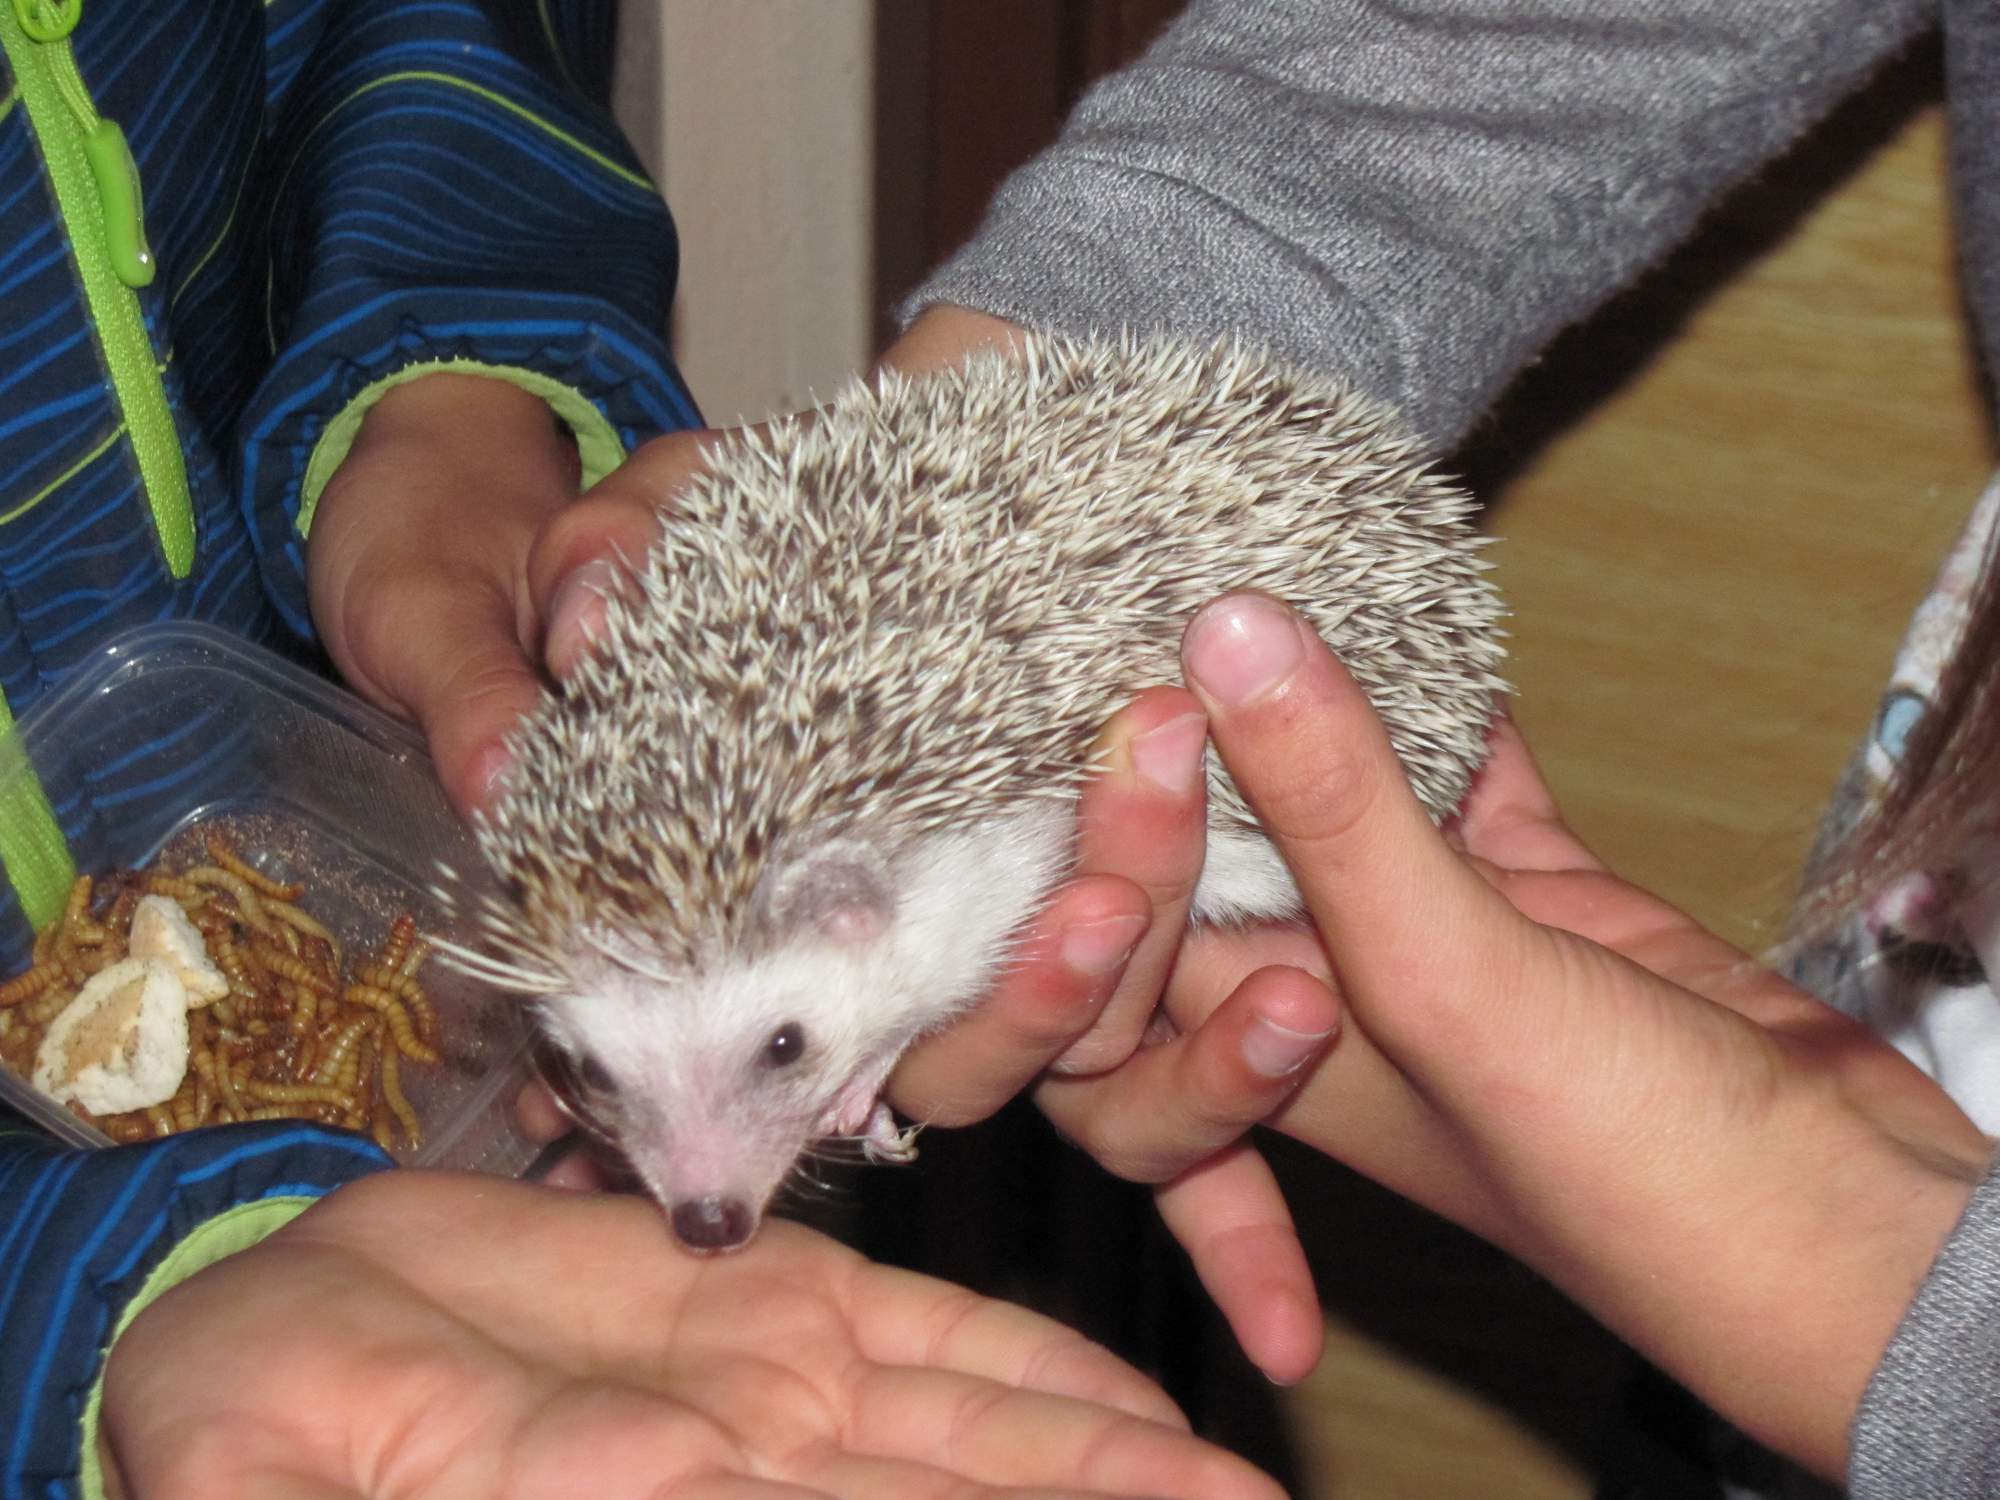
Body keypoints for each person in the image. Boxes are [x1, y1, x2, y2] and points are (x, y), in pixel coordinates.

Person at [487, 1, 2000, 1493]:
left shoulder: (915, 871)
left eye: (777, 1054)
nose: (693, 1185)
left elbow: (1007, 855)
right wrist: (993, 401)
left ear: (846, 904)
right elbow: (1479, 54)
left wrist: (1866, 1299)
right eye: (612, 1079)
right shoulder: (843, 856)